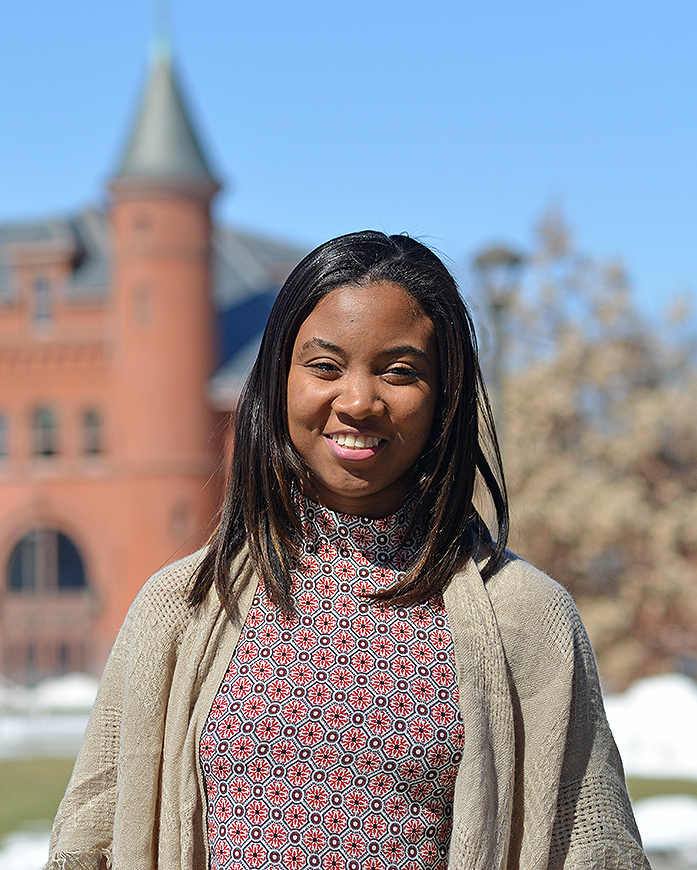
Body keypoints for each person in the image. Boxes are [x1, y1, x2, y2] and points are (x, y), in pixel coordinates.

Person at [47, 231, 648, 870]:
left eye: (399, 371)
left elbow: (594, 849)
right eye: (326, 367)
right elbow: (91, 842)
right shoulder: (180, 612)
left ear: (447, 395)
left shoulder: (527, 619)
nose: (358, 401)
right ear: (278, 383)